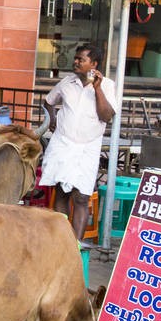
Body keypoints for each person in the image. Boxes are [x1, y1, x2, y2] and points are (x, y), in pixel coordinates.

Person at [38, 44, 117, 245]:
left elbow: (106, 116)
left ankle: (75, 245)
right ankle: (59, 241)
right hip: (63, 143)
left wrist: (97, 89)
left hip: (88, 147)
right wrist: (53, 121)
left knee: (81, 197)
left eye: (81, 59)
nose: (76, 62)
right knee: (62, 193)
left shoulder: (107, 85)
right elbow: (49, 101)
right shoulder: (67, 82)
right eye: (76, 58)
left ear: (94, 64)